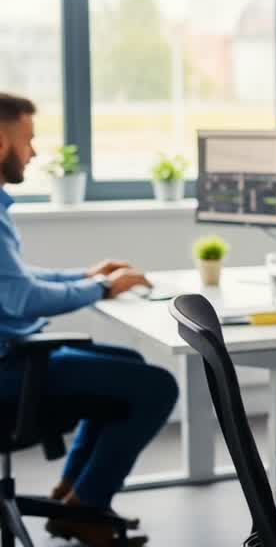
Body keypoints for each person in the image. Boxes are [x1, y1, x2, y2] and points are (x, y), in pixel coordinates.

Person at [0, 93, 177, 547]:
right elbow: (21, 298)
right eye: (28, 140)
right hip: (8, 374)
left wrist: (85, 275)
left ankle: (74, 499)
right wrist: (101, 288)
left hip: (13, 358)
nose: (34, 153)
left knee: (127, 363)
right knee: (156, 386)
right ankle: (84, 509)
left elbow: (14, 279)